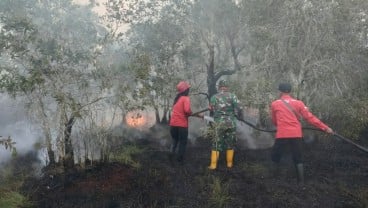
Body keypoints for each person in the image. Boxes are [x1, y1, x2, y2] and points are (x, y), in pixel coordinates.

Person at [270, 82, 334, 184]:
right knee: (298, 156)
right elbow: (310, 118)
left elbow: (274, 121)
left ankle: (271, 179)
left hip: (282, 134)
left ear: (280, 91)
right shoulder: (299, 103)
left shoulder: (274, 104)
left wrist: (282, 125)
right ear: (290, 91)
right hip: (296, 134)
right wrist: (325, 128)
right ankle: (301, 182)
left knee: (275, 155)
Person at [208, 80, 243, 170]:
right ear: (227, 87)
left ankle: (213, 165)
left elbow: (210, 109)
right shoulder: (233, 96)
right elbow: (240, 108)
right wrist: (240, 116)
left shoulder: (214, 97)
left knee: (216, 143)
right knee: (230, 143)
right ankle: (229, 164)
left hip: (219, 124)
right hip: (231, 124)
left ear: (219, 87)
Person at [169, 81, 203, 164]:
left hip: (173, 125)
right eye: (188, 88)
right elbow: (187, 110)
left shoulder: (176, 99)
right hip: (182, 125)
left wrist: (192, 114)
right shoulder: (185, 98)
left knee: (174, 141)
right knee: (182, 142)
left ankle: (170, 157)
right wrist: (195, 114)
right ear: (186, 90)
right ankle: (179, 161)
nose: (189, 90)